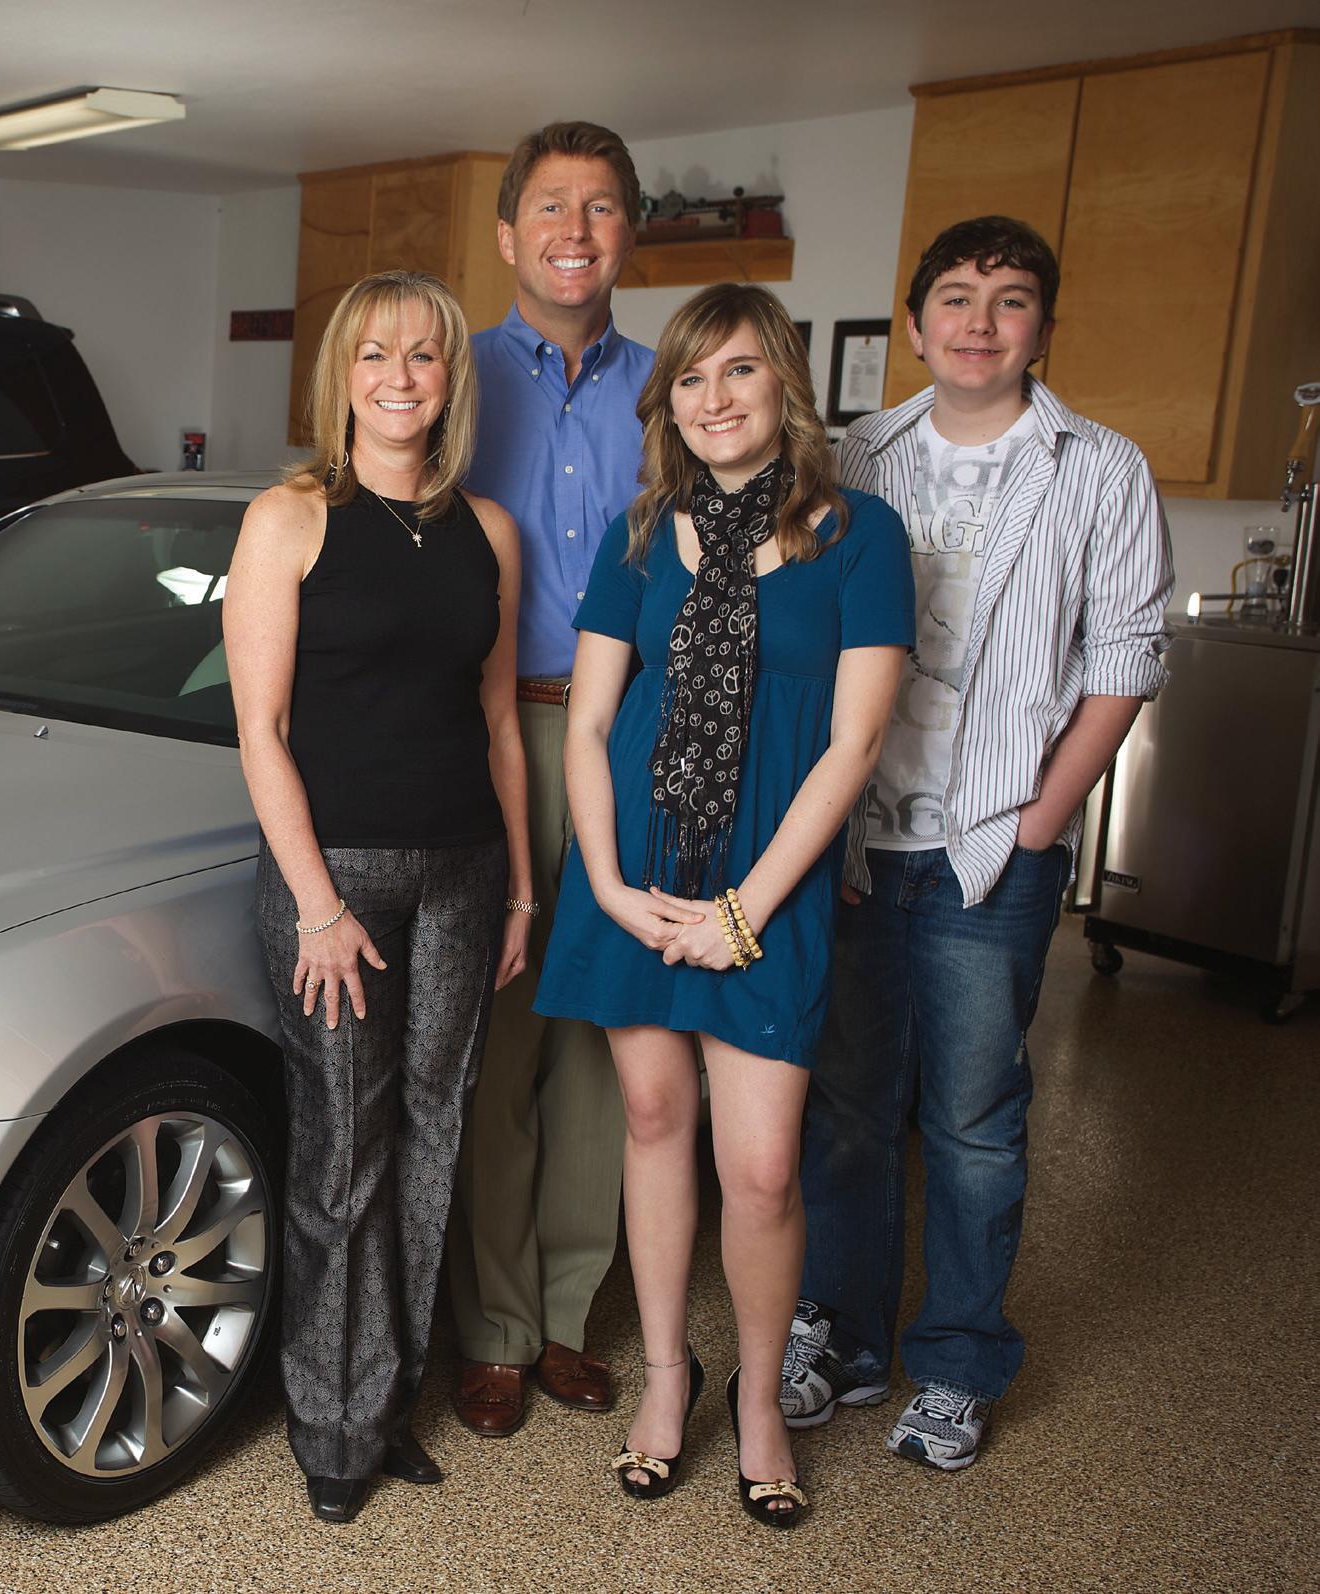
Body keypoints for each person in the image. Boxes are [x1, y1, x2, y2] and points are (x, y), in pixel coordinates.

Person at [784, 216, 1172, 1472]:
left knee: (973, 1119)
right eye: (956, 297)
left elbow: (1125, 658)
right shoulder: (858, 454)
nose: (979, 322)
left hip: (992, 850)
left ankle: (955, 1362)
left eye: (1009, 300)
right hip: (854, 841)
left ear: (1042, 327)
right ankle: (845, 1336)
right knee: (847, 1108)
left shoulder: (1100, 467)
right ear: (915, 323)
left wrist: (1042, 821)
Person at [533, 282, 914, 1528]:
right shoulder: (643, 532)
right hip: (639, 867)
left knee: (760, 1169)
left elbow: (855, 743)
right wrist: (603, 883)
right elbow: (589, 721)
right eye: (690, 379)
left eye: (738, 370)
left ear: (784, 384)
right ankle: (665, 1376)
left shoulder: (860, 533)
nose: (713, 398)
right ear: (670, 405)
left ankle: (758, 1397)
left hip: (769, 881)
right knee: (652, 1117)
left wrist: (744, 910)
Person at [223, 269, 535, 1524]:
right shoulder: (289, 518)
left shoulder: (489, 531)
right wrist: (316, 905)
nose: (400, 378)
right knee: (342, 1151)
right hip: (337, 880)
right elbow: (261, 729)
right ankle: (331, 1426)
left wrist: (520, 890)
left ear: (451, 378)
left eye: (423, 355)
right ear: (340, 377)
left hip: (465, 871)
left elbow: (500, 722)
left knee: (434, 1132)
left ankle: (388, 1397)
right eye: (375, 356)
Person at [444, 118, 653, 1441]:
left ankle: (571, 1314)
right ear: (509, 233)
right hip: (497, 734)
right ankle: (496, 1331)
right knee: (504, 1037)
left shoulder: (675, 389)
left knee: (604, 1046)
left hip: (631, 738)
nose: (576, 232)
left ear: (628, 233)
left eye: (602, 207)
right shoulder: (449, 376)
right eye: (553, 207)